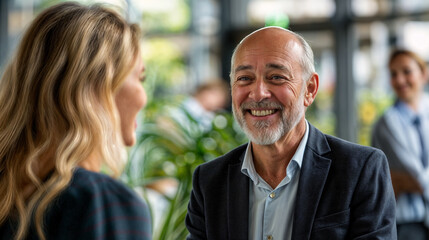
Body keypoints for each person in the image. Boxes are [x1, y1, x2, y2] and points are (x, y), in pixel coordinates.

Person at [186, 26, 397, 239]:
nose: (258, 93)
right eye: (244, 78)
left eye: (276, 77)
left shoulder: (360, 170)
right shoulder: (209, 182)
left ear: (310, 89)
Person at [0, 2, 151, 240]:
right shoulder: (104, 204)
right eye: (140, 77)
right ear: (99, 88)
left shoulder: (10, 198)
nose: (144, 97)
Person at [371, 49, 429, 240]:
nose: (400, 80)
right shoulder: (388, 122)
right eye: (394, 74)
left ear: (424, 74)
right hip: (408, 224)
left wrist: (406, 181)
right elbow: (416, 177)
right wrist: (408, 181)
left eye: (407, 71)